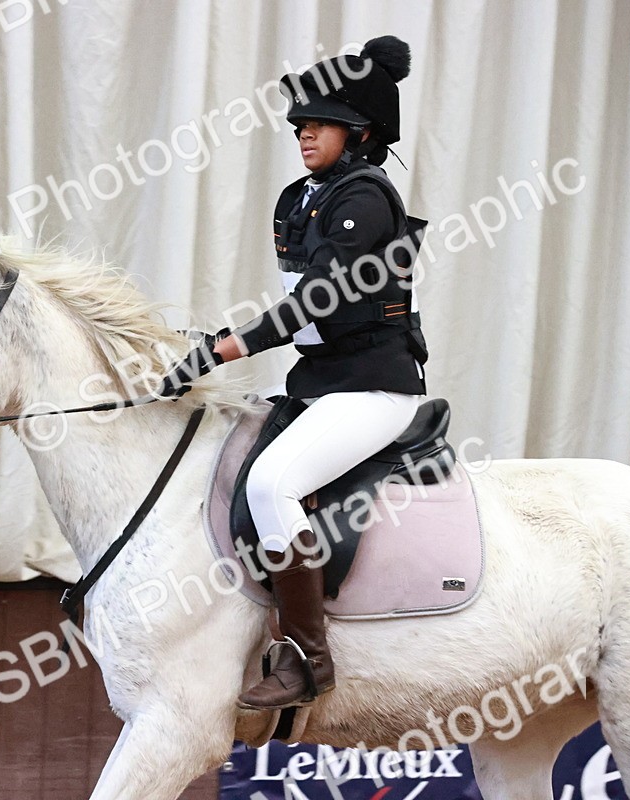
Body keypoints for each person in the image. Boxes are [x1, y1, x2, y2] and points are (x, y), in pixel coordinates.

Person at [158, 36, 429, 710]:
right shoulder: (301, 198)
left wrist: (222, 349)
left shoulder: (366, 198)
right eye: (300, 123)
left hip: (374, 388)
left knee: (272, 482)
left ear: (360, 132)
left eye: (321, 123)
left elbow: (316, 300)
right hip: (321, 383)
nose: (303, 132)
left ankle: (310, 658)